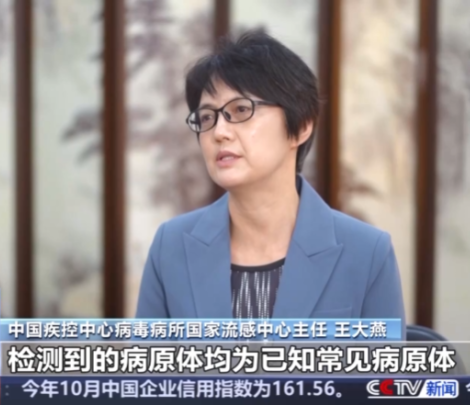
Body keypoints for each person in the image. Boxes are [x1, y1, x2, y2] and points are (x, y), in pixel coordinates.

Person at [136, 31, 405, 332]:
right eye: (208, 117)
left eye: (241, 110)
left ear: (301, 126)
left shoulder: (367, 253)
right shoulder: (171, 247)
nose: (219, 132)